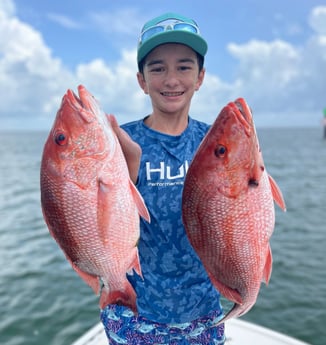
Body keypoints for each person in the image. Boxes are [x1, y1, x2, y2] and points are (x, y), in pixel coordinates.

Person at [101, 12, 225, 344]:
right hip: (133, 312)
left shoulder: (217, 143)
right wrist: (126, 174)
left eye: (184, 67)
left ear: (200, 77)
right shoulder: (118, 144)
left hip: (204, 311)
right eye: (157, 68)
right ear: (141, 80)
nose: (171, 79)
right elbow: (96, 227)